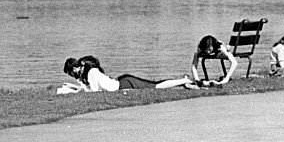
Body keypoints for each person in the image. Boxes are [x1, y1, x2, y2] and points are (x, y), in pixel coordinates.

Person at [60, 55, 193, 93]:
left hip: (125, 83)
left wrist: (75, 89)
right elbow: (89, 89)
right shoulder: (87, 73)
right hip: (122, 82)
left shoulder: (91, 72)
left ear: (75, 68)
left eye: (71, 72)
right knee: (155, 85)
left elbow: (94, 92)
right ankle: (183, 80)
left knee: (156, 86)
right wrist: (74, 87)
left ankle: (184, 80)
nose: (72, 75)